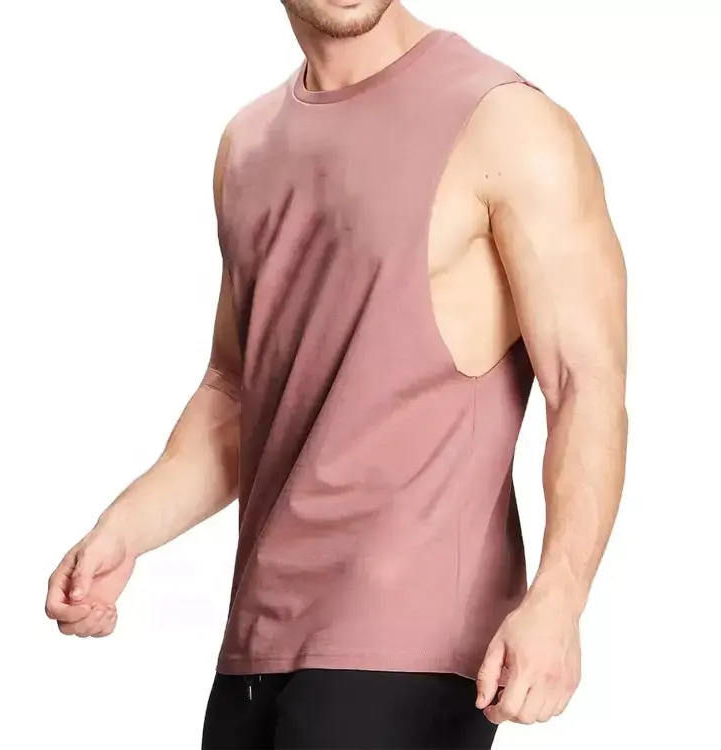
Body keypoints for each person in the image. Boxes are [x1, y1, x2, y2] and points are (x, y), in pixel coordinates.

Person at [44, 1, 628, 747]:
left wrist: (559, 598)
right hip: (255, 648)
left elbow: (585, 386)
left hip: (411, 650)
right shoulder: (248, 144)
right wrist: (123, 530)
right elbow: (235, 392)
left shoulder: (505, 124)